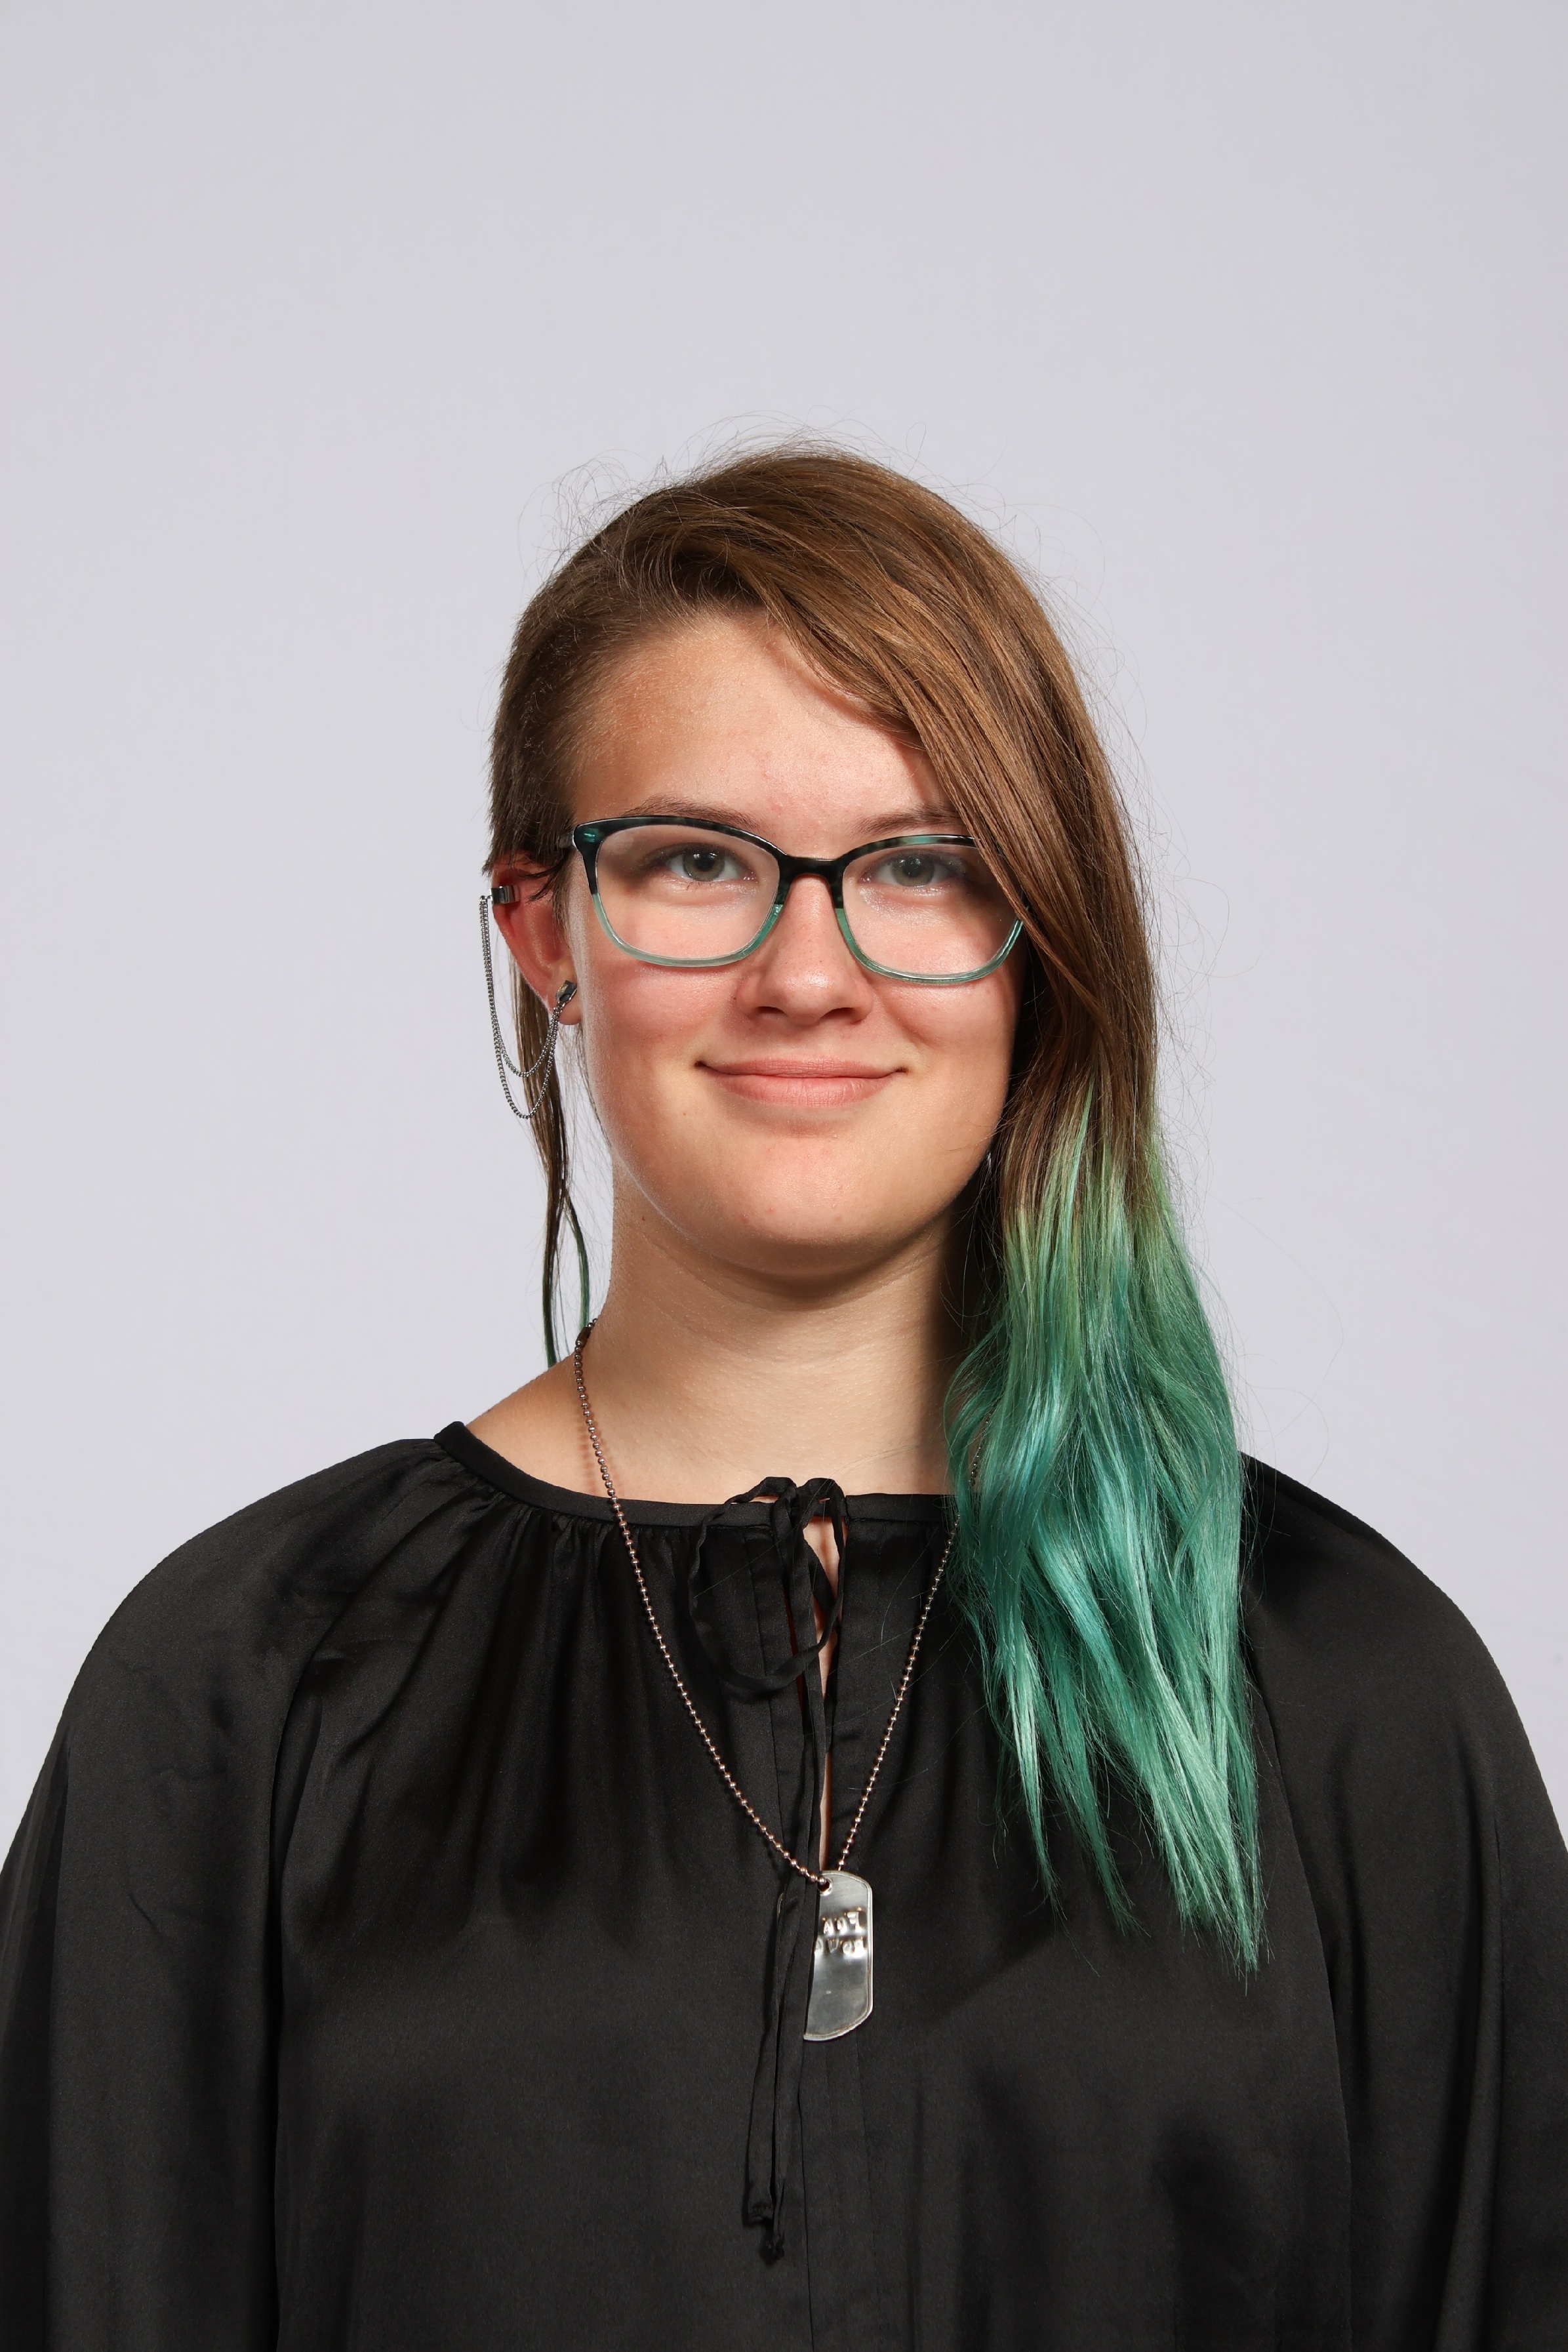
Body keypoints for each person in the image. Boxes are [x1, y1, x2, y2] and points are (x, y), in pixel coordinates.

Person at [1, 448, 1563, 2351]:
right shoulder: (247, 1691)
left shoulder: (1342, 1686)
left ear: (1039, 938)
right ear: (542, 928)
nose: (807, 972)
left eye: (922, 865)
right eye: (695, 861)